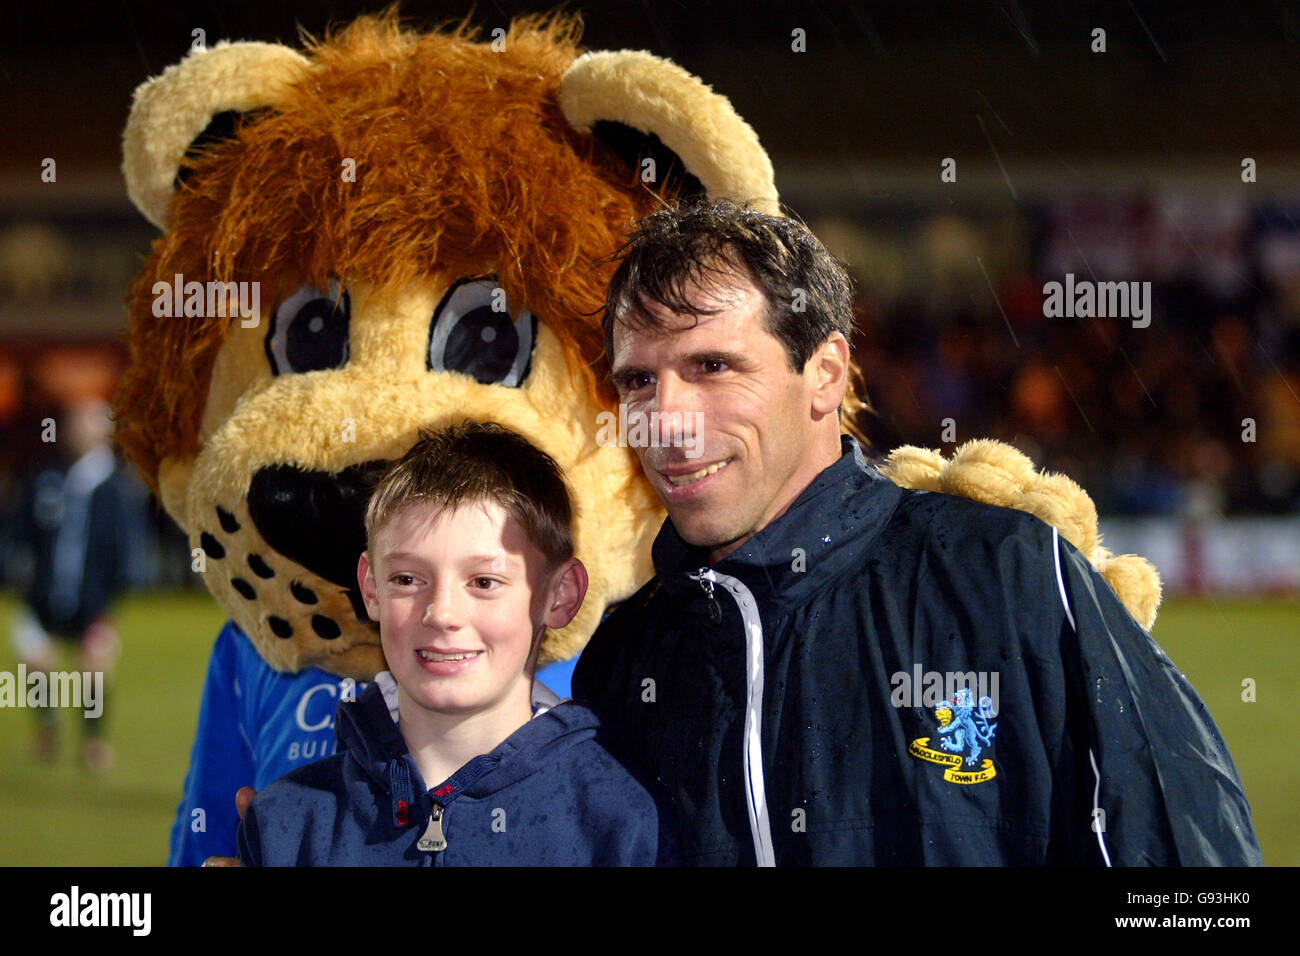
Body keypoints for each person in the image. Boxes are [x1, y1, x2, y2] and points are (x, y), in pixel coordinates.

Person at [571, 199, 1264, 866]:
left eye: (712, 367)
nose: (667, 419)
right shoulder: (620, 666)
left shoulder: (1010, 575)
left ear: (826, 375)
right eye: (638, 381)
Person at [237, 423, 678, 865]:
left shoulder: (622, 819)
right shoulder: (288, 822)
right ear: (371, 590)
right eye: (408, 580)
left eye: (484, 582)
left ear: (560, 595)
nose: (442, 614)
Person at [5, 399, 147, 772]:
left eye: (92, 423)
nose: (83, 430)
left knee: (93, 670)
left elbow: (125, 551)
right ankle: (47, 729)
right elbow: (20, 532)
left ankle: (93, 741)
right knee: (36, 665)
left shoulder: (117, 488)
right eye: (78, 422)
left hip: (93, 601)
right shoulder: (47, 477)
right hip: (44, 597)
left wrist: (110, 608)